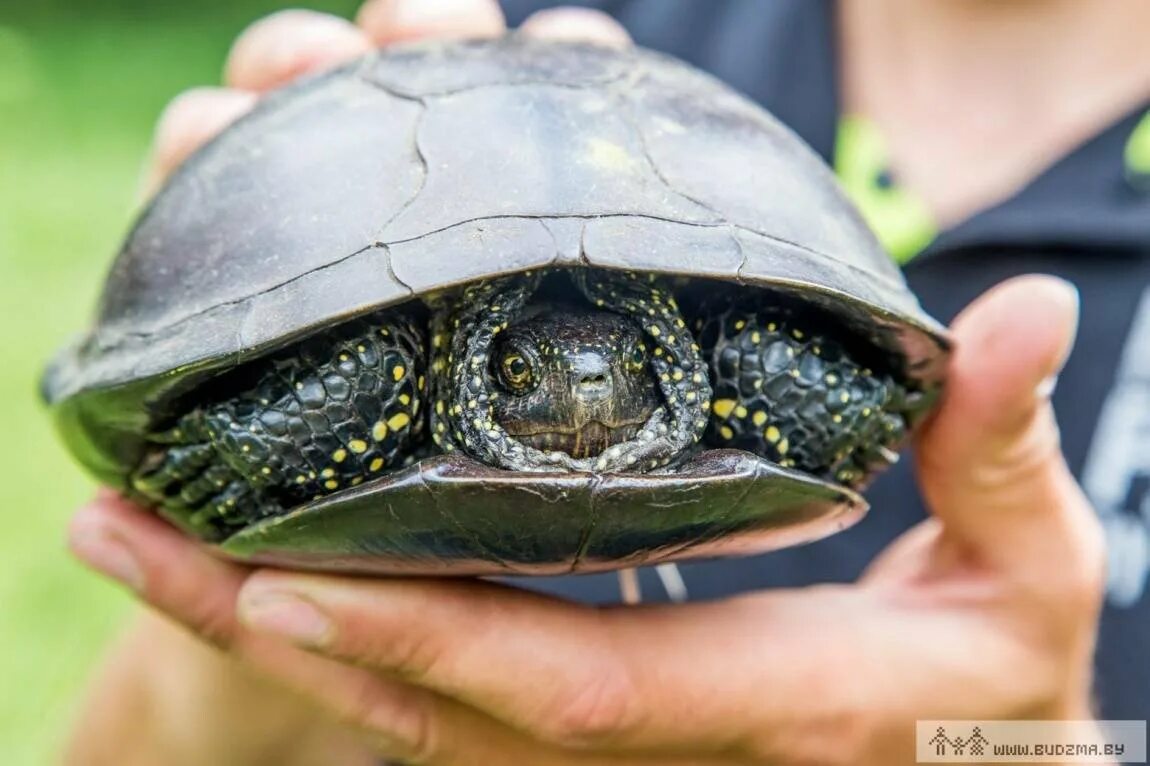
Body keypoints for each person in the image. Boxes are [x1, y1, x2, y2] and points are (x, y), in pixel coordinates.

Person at [63, 0, 1149, 763]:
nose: (581, 392)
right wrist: (254, 594)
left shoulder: (759, 319)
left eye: (625, 370)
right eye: (529, 372)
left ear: (666, 362)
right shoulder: (545, 25)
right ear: (481, 370)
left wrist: (1019, 745)